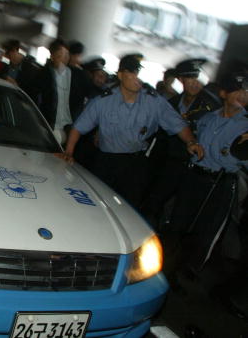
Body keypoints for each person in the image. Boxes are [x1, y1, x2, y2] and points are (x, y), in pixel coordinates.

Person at [61, 54, 203, 209]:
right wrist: (68, 152)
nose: (137, 78)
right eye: (132, 73)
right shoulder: (103, 101)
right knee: (97, 204)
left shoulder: (153, 101)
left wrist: (191, 142)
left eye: (138, 73)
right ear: (121, 75)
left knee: (129, 207)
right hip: (107, 162)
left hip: (135, 164)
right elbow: (79, 127)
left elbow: (177, 124)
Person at [166, 75, 248, 278]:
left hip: (221, 182)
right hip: (194, 177)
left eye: (245, 91)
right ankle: (166, 266)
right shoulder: (207, 118)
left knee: (206, 231)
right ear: (224, 94)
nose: (242, 95)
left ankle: (186, 270)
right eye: (237, 90)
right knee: (178, 223)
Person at [142, 58, 221, 227]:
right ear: (181, 80)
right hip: (171, 162)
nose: (194, 84)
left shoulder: (212, 106)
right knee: (155, 199)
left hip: (195, 165)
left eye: (197, 79)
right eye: (190, 79)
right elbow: (161, 135)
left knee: (183, 210)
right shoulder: (172, 103)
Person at [38, 38, 90, 145]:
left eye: (66, 54)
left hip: (68, 125)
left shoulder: (78, 75)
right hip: (47, 123)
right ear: (52, 56)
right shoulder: (43, 74)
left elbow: (83, 96)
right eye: (59, 55)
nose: (64, 58)